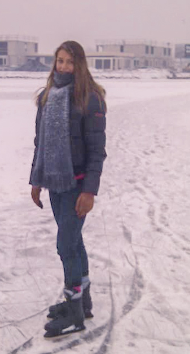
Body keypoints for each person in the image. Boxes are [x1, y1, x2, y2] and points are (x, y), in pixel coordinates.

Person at [29, 40, 107, 338]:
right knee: (73, 243)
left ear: (80, 65)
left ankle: (74, 313)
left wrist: (89, 191)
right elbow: (41, 143)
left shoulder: (90, 99)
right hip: (53, 183)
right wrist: (36, 179)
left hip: (76, 185)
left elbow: (97, 151)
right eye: (60, 61)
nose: (63, 67)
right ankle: (82, 302)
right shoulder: (47, 96)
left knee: (66, 245)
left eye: (69, 62)